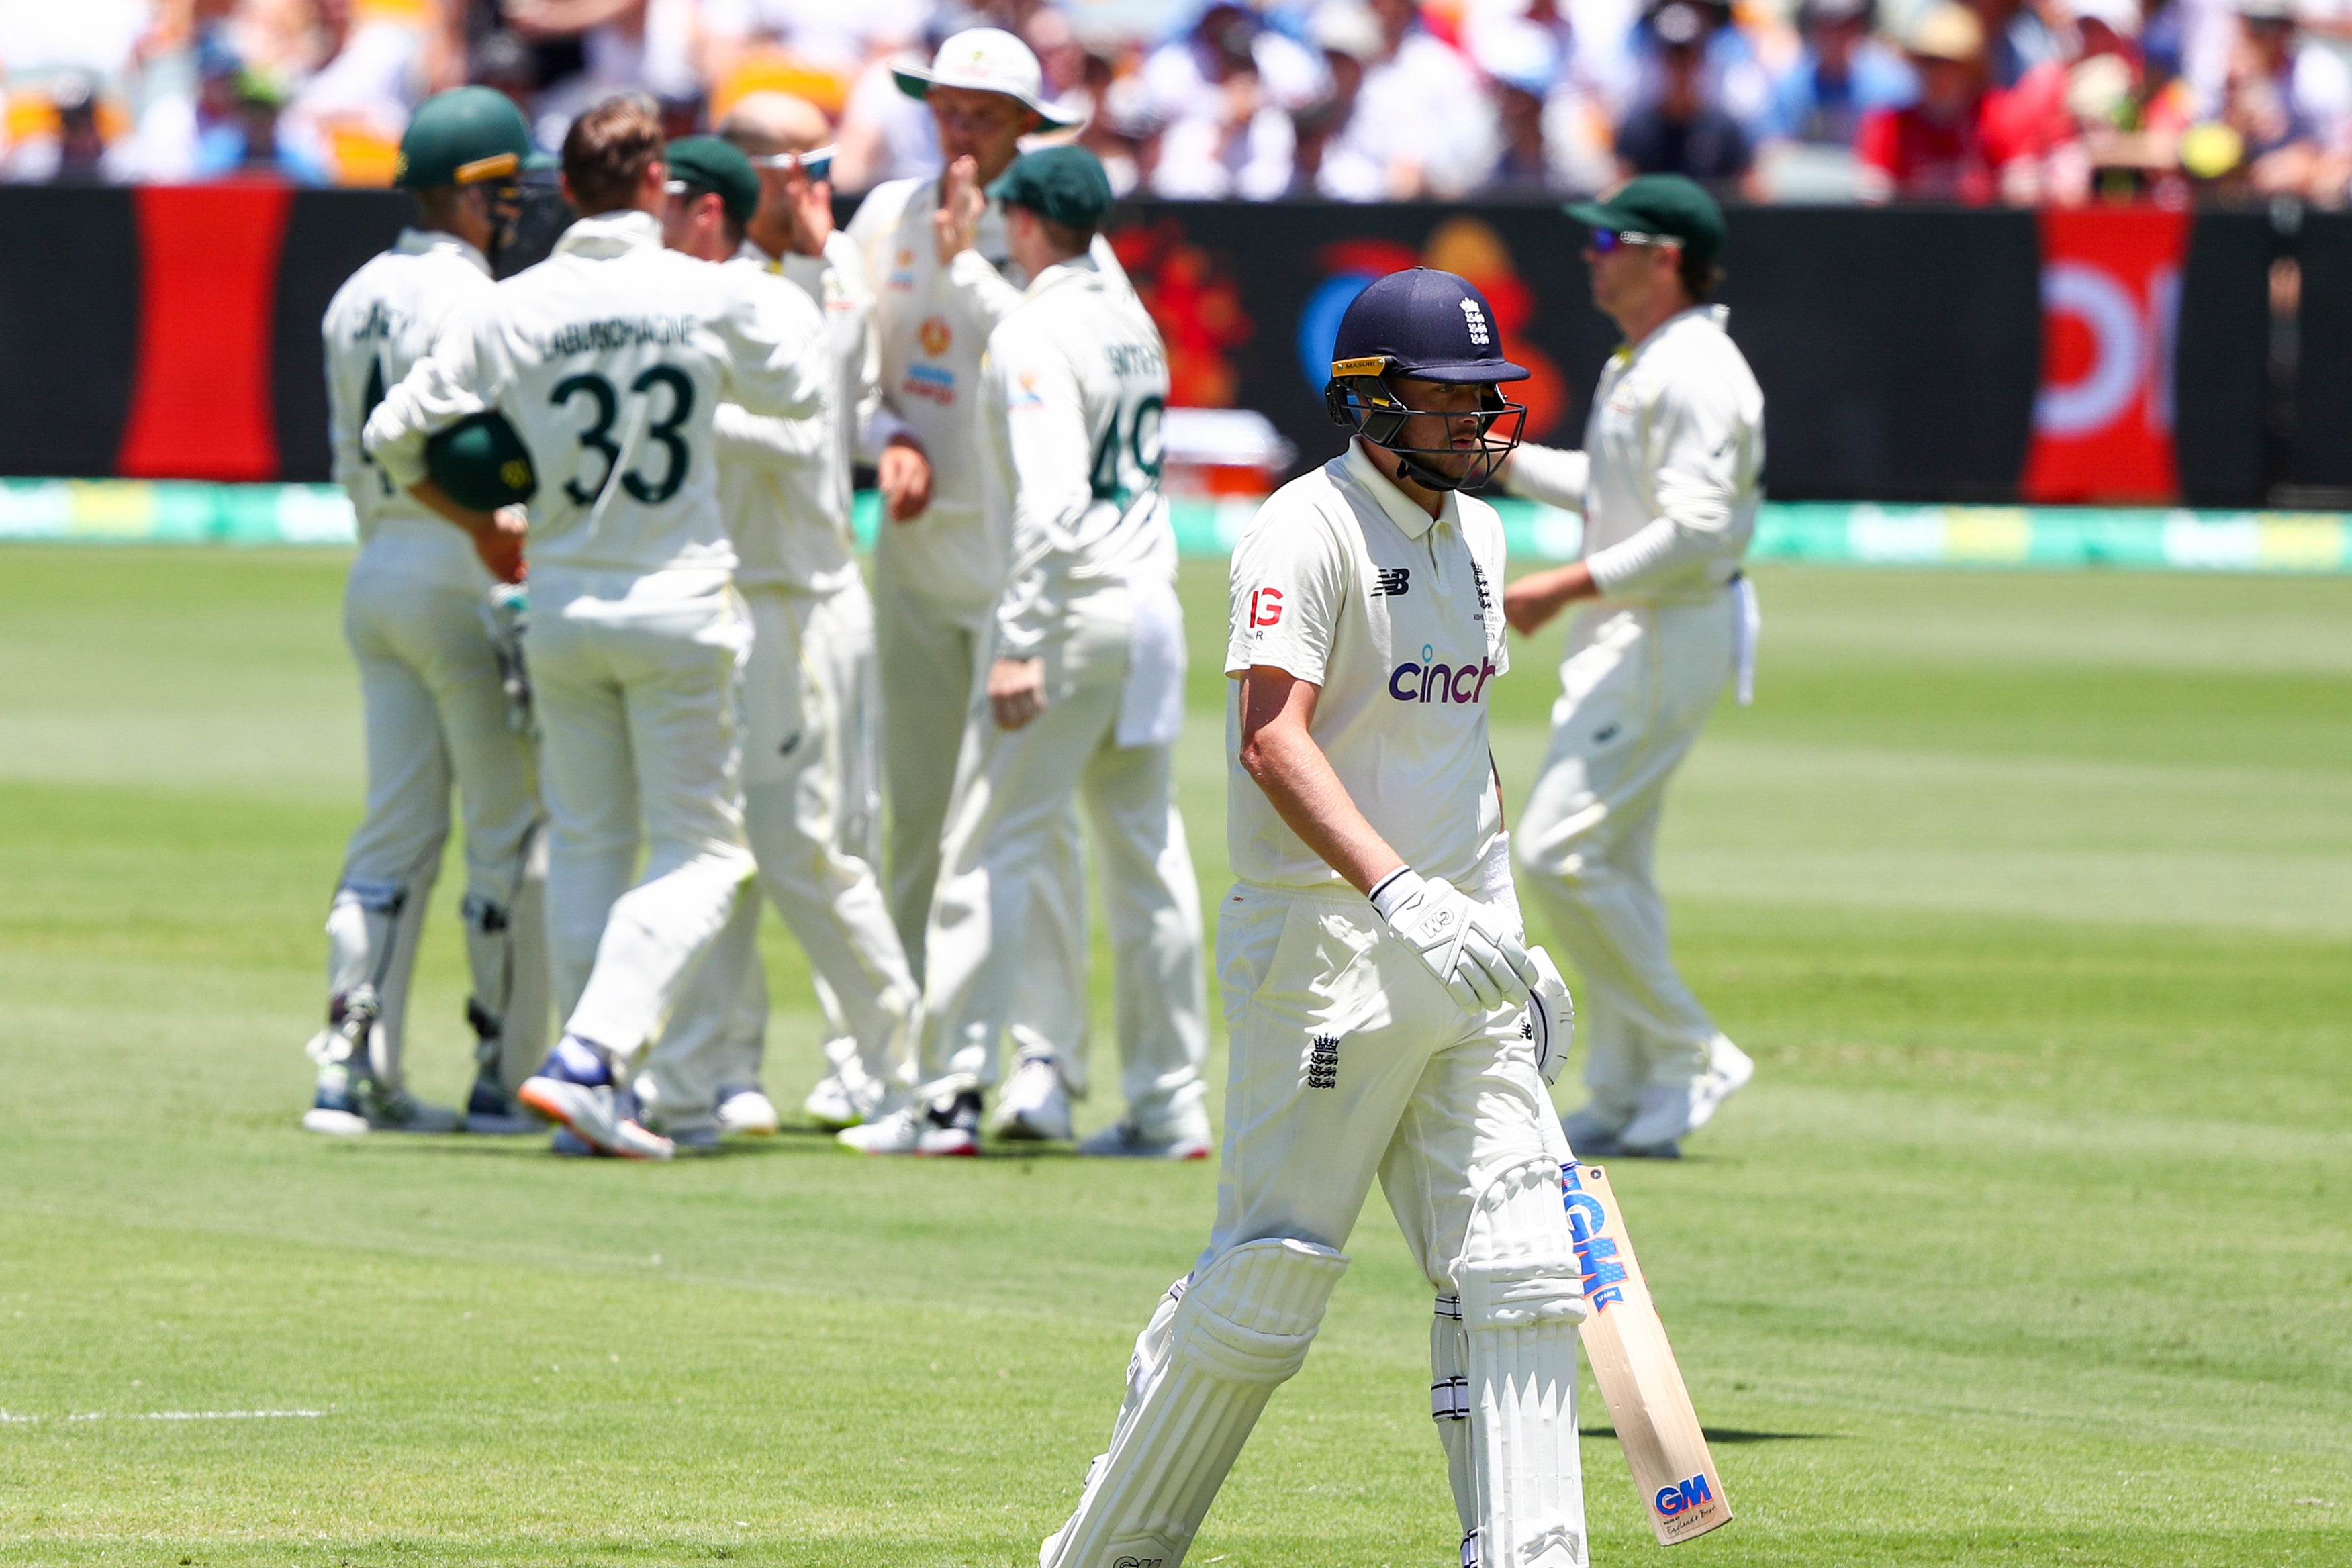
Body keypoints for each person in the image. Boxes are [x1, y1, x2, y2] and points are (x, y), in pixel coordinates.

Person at [1037, 265, 1585, 1568]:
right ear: (1371, 401)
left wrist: (1501, 931)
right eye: (1448, 401)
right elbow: (1269, 740)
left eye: (1481, 398)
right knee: (1271, 1278)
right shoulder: (1303, 526)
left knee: (1519, 1268)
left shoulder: (1479, 537)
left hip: (1456, 958)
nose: (1476, 420)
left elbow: (1463, 745)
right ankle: (1106, 1553)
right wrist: (1394, 890)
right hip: (1326, 950)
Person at [363, 94, 831, 1161]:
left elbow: (393, 436)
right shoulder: (702, 291)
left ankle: (590, 1093)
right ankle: (592, 1055)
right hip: (678, 604)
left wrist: (485, 524)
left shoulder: (508, 305)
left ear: (562, 189)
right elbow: (804, 394)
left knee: (587, 844)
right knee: (706, 854)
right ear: (656, 182)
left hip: (563, 604)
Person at [844, 147, 1210, 1160]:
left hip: (1071, 611)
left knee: (982, 850)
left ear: (1030, 222)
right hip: (1148, 607)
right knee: (1147, 859)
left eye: (1005, 210)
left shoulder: (1036, 333)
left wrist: (1014, 646)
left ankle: (947, 1098)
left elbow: (1050, 507)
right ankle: (1172, 1101)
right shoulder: (1123, 316)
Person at [841, 27, 1116, 1144]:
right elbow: (852, 381)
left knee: (1028, 831)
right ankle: (911, 1059)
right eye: (945, 111)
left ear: (1027, 129)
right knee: (912, 821)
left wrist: (969, 260)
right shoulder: (884, 221)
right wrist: (885, 435)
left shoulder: (1055, 240)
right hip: (913, 560)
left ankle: (1042, 1061)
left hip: (1021, 575)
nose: (958, 135)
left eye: (982, 117)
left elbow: (1073, 373)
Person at [660, 95, 923, 1138]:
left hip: (817, 588)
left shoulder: (831, 269)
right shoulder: (715, 279)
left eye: (819, 161)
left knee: (830, 840)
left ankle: (872, 1062)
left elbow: (847, 404)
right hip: (733, 587)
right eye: (794, 164)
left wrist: (836, 269)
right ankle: (727, 1064)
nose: (813, 183)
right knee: (721, 842)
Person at [305, 86, 554, 1140]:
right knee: (509, 829)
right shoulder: (476, 301)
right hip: (462, 565)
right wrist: (493, 531)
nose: (516, 208)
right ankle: (504, 1070)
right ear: (468, 190)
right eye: (504, 188)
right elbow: (479, 449)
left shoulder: (351, 293)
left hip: (377, 572)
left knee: (392, 835)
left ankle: (348, 1067)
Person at [1498, 175, 1760, 1161]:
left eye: (1609, 241)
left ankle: (1690, 1048)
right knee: (1610, 860)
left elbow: (1692, 530)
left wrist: (1562, 587)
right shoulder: (1649, 357)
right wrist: (1506, 456)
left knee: (1555, 849)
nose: (1589, 254)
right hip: (1639, 628)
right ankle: (1621, 1079)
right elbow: (1615, 489)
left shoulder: (1696, 368)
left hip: (1662, 628)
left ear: (1663, 257)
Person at [1855, 2, 2001, 201]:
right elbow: (1873, 192)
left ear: (1968, 68)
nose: (1935, 73)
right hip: (1910, 231)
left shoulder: (1996, 116)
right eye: (1927, 61)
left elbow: (2020, 186)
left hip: (1981, 231)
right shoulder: (1889, 125)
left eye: (1947, 62)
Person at [1613, 2, 1758, 193]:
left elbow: (1752, 193)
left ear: (1701, 60)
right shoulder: (1636, 128)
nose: (1681, 68)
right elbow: (1620, 192)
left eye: (1689, 56)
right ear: (1660, 60)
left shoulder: (1725, 128)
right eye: (1673, 57)